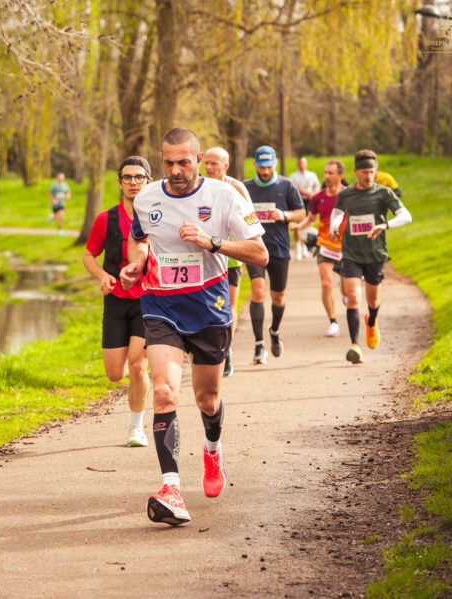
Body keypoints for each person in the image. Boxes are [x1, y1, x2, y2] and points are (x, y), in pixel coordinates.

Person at [120, 128, 267, 525]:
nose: (175, 170)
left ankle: (213, 449)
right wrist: (136, 264)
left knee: (207, 399)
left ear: (199, 159)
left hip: (209, 305)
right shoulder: (147, 197)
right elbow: (140, 240)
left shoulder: (225, 196)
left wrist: (212, 243)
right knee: (165, 391)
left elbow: (260, 252)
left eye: (183, 162)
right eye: (168, 162)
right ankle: (171, 488)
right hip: (160, 302)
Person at [83, 156, 153, 447]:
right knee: (115, 374)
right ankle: (134, 389)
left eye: (139, 177)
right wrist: (101, 276)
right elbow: (89, 254)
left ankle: (136, 427)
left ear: (149, 181)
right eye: (128, 177)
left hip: (147, 300)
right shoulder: (106, 218)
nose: (133, 182)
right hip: (115, 300)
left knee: (138, 366)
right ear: (119, 182)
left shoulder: (156, 216)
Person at [329, 149, 412, 364]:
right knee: (353, 297)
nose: (368, 176)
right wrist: (334, 226)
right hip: (351, 252)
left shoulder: (383, 193)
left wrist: (385, 225)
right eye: (364, 172)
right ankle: (355, 345)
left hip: (375, 253)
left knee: (373, 299)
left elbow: (406, 215)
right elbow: (337, 213)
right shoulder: (346, 194)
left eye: (372, 172)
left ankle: (372, 321)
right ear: (356, 172)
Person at [244, 145, 305, 365]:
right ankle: (259, 345)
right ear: (255, 165)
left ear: (275, 163)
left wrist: (284, 215)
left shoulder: (287, 185)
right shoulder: (245, 187)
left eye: (269, 166)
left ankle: (275, 331)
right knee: (258, 290)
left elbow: (301, 214)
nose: (266, 171)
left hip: (279, 249)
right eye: (262, 166)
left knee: (278, 297)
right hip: (254, 248)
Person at [202, 146, 251, 377]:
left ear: (226, 166)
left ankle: (227, 351)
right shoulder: (199, 185)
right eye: (207, 163)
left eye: (214, 164)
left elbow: (251, 217)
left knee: (228, 307)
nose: (209, 168)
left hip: (230, 257)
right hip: (203, 256)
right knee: (204, 306)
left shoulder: (235, 187)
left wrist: (249, 242)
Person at [292, 159, 347, 337]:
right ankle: (333, 322)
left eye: (331, 173)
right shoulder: (318, 197)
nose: (327, 176)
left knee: (347, 291)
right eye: (325, 173)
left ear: (340, 175)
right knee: (326, 283)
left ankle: (345, 290)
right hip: (324, 245)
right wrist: (299, 227)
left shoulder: (348, 195)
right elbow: (311, 219)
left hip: (345, 247)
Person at [288, 156, 321, 260]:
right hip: (297, 201)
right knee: (297, 224)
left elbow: (317, 187)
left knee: (306, 223)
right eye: (300, 163)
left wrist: (313, 193)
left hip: (308, 201)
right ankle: (298, 247)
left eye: (303, 163)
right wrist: (298, 190)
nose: (302, 165)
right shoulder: (293, 176)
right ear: (298, 164)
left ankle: (305, 246)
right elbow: (290, 189)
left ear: (306, 164)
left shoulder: (312, 175)